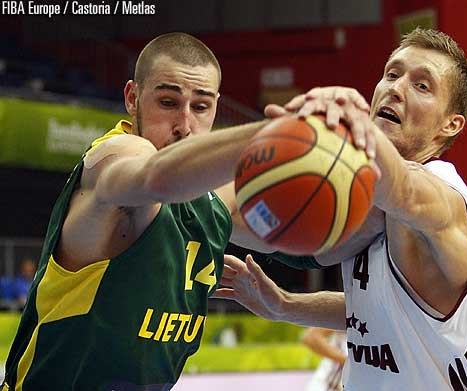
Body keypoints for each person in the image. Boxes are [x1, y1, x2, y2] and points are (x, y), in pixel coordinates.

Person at [4, 32, 375, 391]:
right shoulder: (113, 157)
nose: (184, 125)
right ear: (132, 98)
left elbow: (325, 248)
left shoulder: (216, 201)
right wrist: (289, 131)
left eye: (200, 106)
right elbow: (156, 178)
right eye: (168, 103)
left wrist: (364, 156)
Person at [216, 28, 467, 390]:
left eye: (422, 85)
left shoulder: (441, 194)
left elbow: (405, 189)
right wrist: (283, 305)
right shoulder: (367, 200)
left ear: (450, 125)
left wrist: (351, 127)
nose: (396, 88)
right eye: (392, 74)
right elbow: (370, 311)